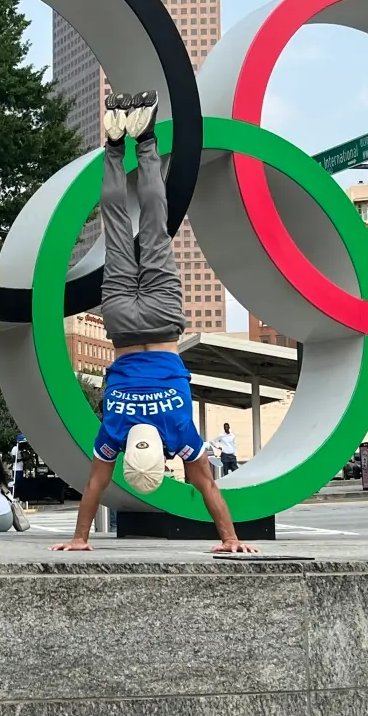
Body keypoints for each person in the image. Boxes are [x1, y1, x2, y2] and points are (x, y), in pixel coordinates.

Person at [52, 90, 254, 554]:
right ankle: (113, 144)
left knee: (155, 223)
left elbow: (208, 489)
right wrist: (78, 538)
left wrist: (231, 539)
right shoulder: (113, 432)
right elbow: (94, 488)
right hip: (122, 325)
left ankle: (143, 139)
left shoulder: (179, 433)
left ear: (163, 459)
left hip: (162, 323)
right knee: (117, 224)